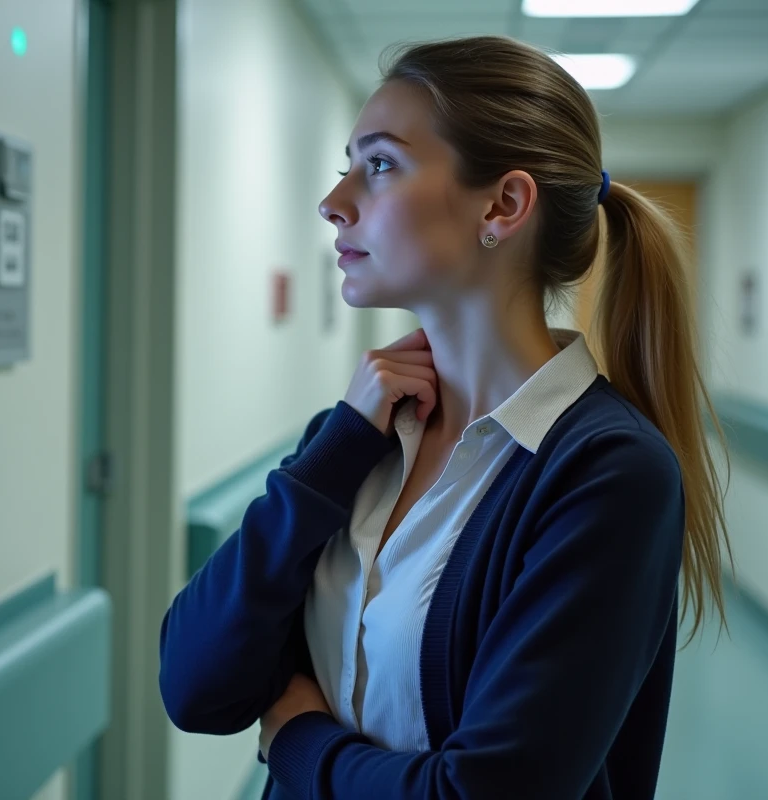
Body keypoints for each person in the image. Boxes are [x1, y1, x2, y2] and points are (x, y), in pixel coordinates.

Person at [158, 35, 730, 800]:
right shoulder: (359, 443)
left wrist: (299, 738)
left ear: (503, 204)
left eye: (381, 164)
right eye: (347, 165)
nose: (334, 202)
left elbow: (484, 792)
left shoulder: (609, 474)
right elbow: (194, 688)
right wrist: (329, 457)